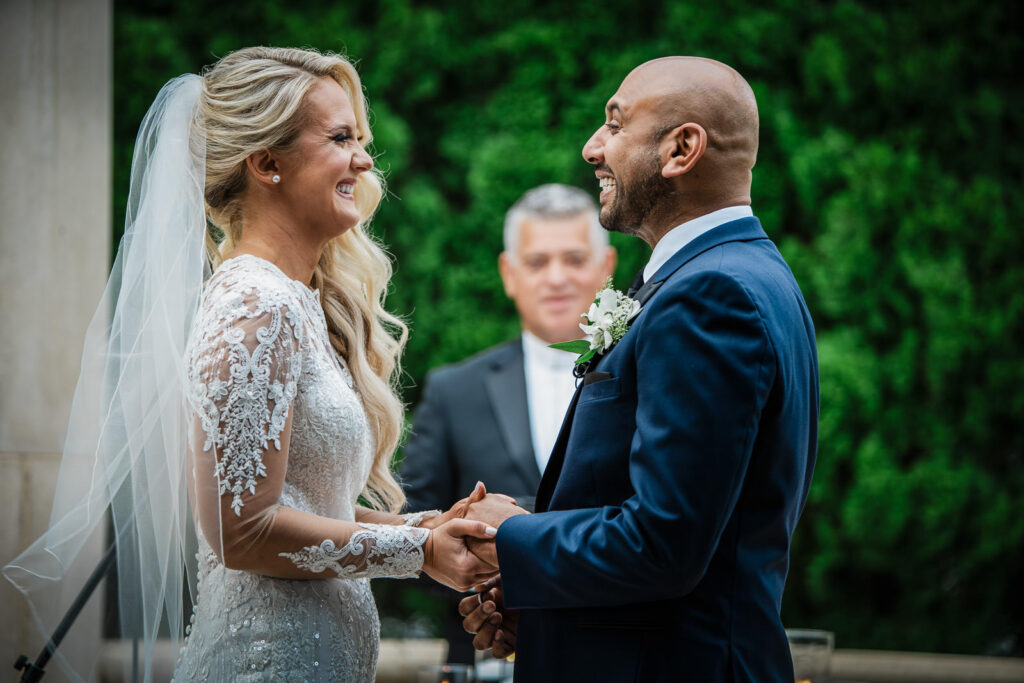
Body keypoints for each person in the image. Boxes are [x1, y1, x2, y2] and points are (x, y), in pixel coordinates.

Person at [5, 47, 498, 683]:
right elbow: (241, 532)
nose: (365, 160)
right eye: (342, 138)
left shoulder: (295, 303)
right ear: (267, 164)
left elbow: (303, 500)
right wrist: (416, 550)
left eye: (361, 138)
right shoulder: (253, 307)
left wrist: (427, 528)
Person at [459, 56, 820, 682]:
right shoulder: (737, 274)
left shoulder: (712, 295)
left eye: (615, 126)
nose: (591, 148)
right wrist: (546, 610)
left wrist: (513, 538)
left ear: (682, 148)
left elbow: (664, 541)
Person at [399, 183, 615, 662]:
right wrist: (490, 580)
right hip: (485, 657)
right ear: (509, 273)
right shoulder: (454, 390)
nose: (556, 278)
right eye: (537, 263)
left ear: (606, 268)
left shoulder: (643, 381)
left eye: (575, 260)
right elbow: (410, 527)